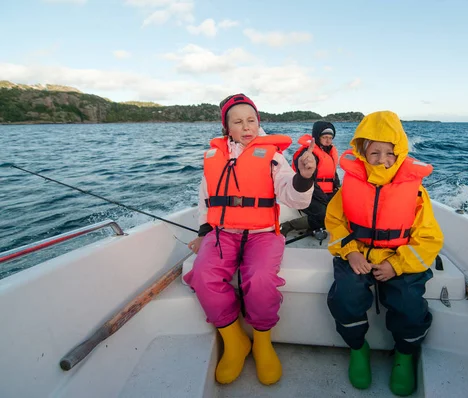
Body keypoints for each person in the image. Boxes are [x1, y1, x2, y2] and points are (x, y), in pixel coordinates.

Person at [183, 93, 316, 386]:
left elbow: (291, 194)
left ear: (259, 122)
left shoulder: (273, 156)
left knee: (259, 279)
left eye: (251, 120)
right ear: (227, 128)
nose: (246, 127)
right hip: (222, 233)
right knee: (203, 276)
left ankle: (262, 341)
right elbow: (206, 199)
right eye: (238, 121)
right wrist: (204, 232)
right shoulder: (215, 156)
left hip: (263, 235)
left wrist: (304, 177)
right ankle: (234, 341)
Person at [325, 111, 443, 396]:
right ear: (362, 152)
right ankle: (358, 347)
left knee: (409, 303)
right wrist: (351, 252)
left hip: (398, 258)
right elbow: (335, 222)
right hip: (358, 254)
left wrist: (396, 264)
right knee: (345, 296)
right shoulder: (350, 185)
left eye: (389, 152)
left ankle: (404, 355)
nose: (381, 159)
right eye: (373, 151)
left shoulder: (415, 192)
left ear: (400, 152)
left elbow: (428, 238)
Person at [280, 121, 340, 236]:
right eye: (325, 137)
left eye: (330, 138)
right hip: (307, 192)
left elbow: (333, 174)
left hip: (326, 192)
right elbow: (309, 180)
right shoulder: (308, 154)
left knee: (343, 210)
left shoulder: (329, 152)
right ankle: (289, 225)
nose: (328, 141)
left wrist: (337, 189)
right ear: (317, 137)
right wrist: (324, 199)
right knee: (325, 213)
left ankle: (315, 228)